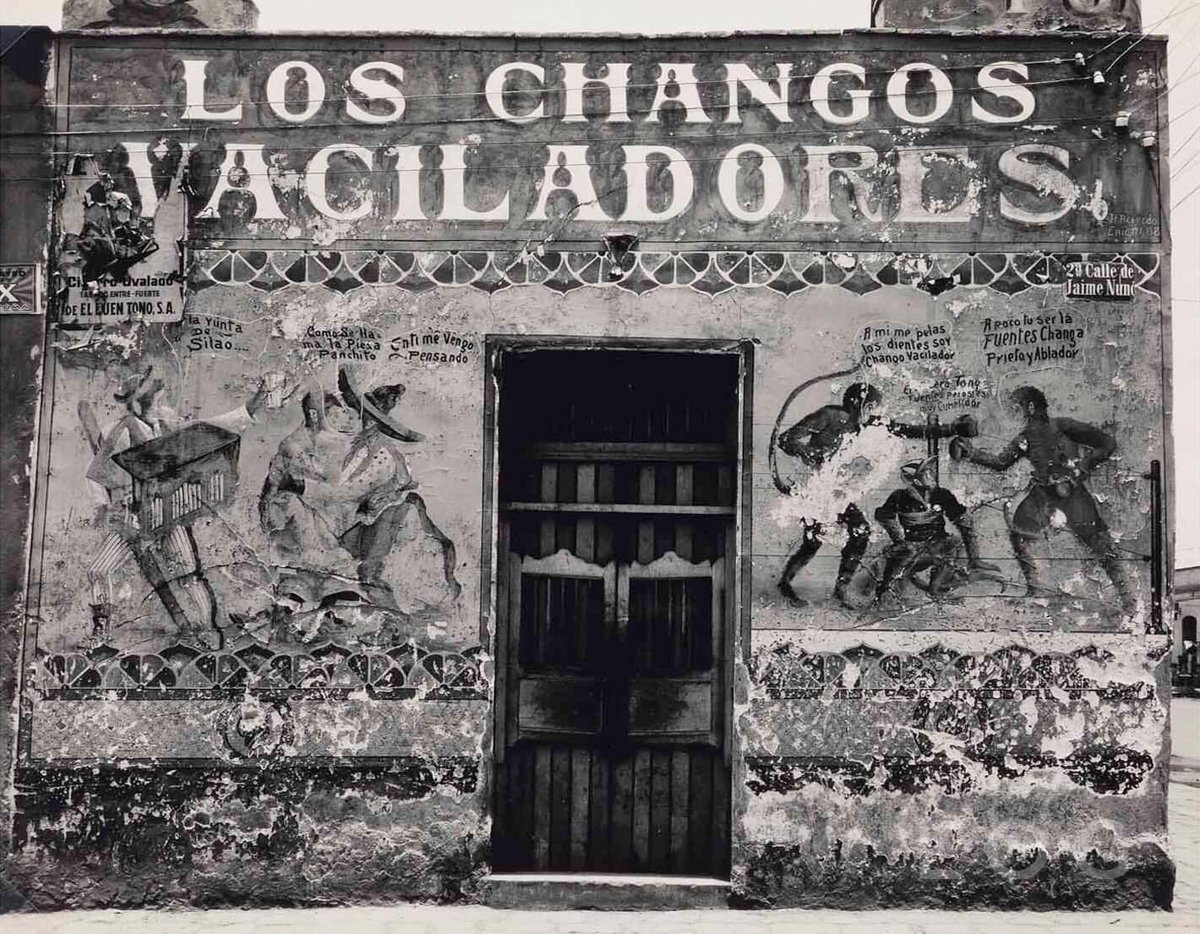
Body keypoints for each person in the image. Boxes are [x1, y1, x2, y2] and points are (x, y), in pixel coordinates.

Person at [85, 366, 269, 643]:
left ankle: (207, 629)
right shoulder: (120, 432)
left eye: (158, 396)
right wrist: (103, 506)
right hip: (134, 518)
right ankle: (101, 634)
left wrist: (253, 405)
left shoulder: (168, 421)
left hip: (169, 514)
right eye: (153, 398)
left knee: (189, 576)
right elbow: (96, 475)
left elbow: (211, 427)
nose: (159, 402)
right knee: (99, 570)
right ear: (137, 404)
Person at [775, 381, 977, 607]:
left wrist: (952, 429)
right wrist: (814, 454)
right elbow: (787, 440)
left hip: (837, 494)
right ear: (861, 405)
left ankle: (840, 589)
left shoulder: (871, 424)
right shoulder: (829, 416)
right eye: (871, 408)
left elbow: (910, 430)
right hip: (817, 489)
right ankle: (785, 583)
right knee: (813, 541)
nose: (873, 414)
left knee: (859, 533)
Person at [949, 385, 1135, 614]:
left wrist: (1083, 466)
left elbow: (1108, 443)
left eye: (1016, 407)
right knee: (1020, 534)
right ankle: (1035, 590)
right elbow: (1001, 462)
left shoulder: (1064, 426)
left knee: (1100, 543)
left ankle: (1128, 601)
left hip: (1071, 494)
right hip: (1042, 495)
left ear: (1030, 406)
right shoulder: (1024, 438)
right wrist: (971, 453)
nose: (1014, 413)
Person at [872, 456, 999, 602]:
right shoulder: (899, 497)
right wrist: (898, 539)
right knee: (894, 575)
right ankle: (885, 592)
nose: (931, 476)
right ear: (917, 481)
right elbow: (883, 516)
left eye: (930, 472)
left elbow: (964, 522)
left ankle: (938, 587)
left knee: (956, 545)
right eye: (925, 474)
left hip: (939, 544)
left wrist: (975, 558)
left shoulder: (941, 494)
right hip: (913, 548)